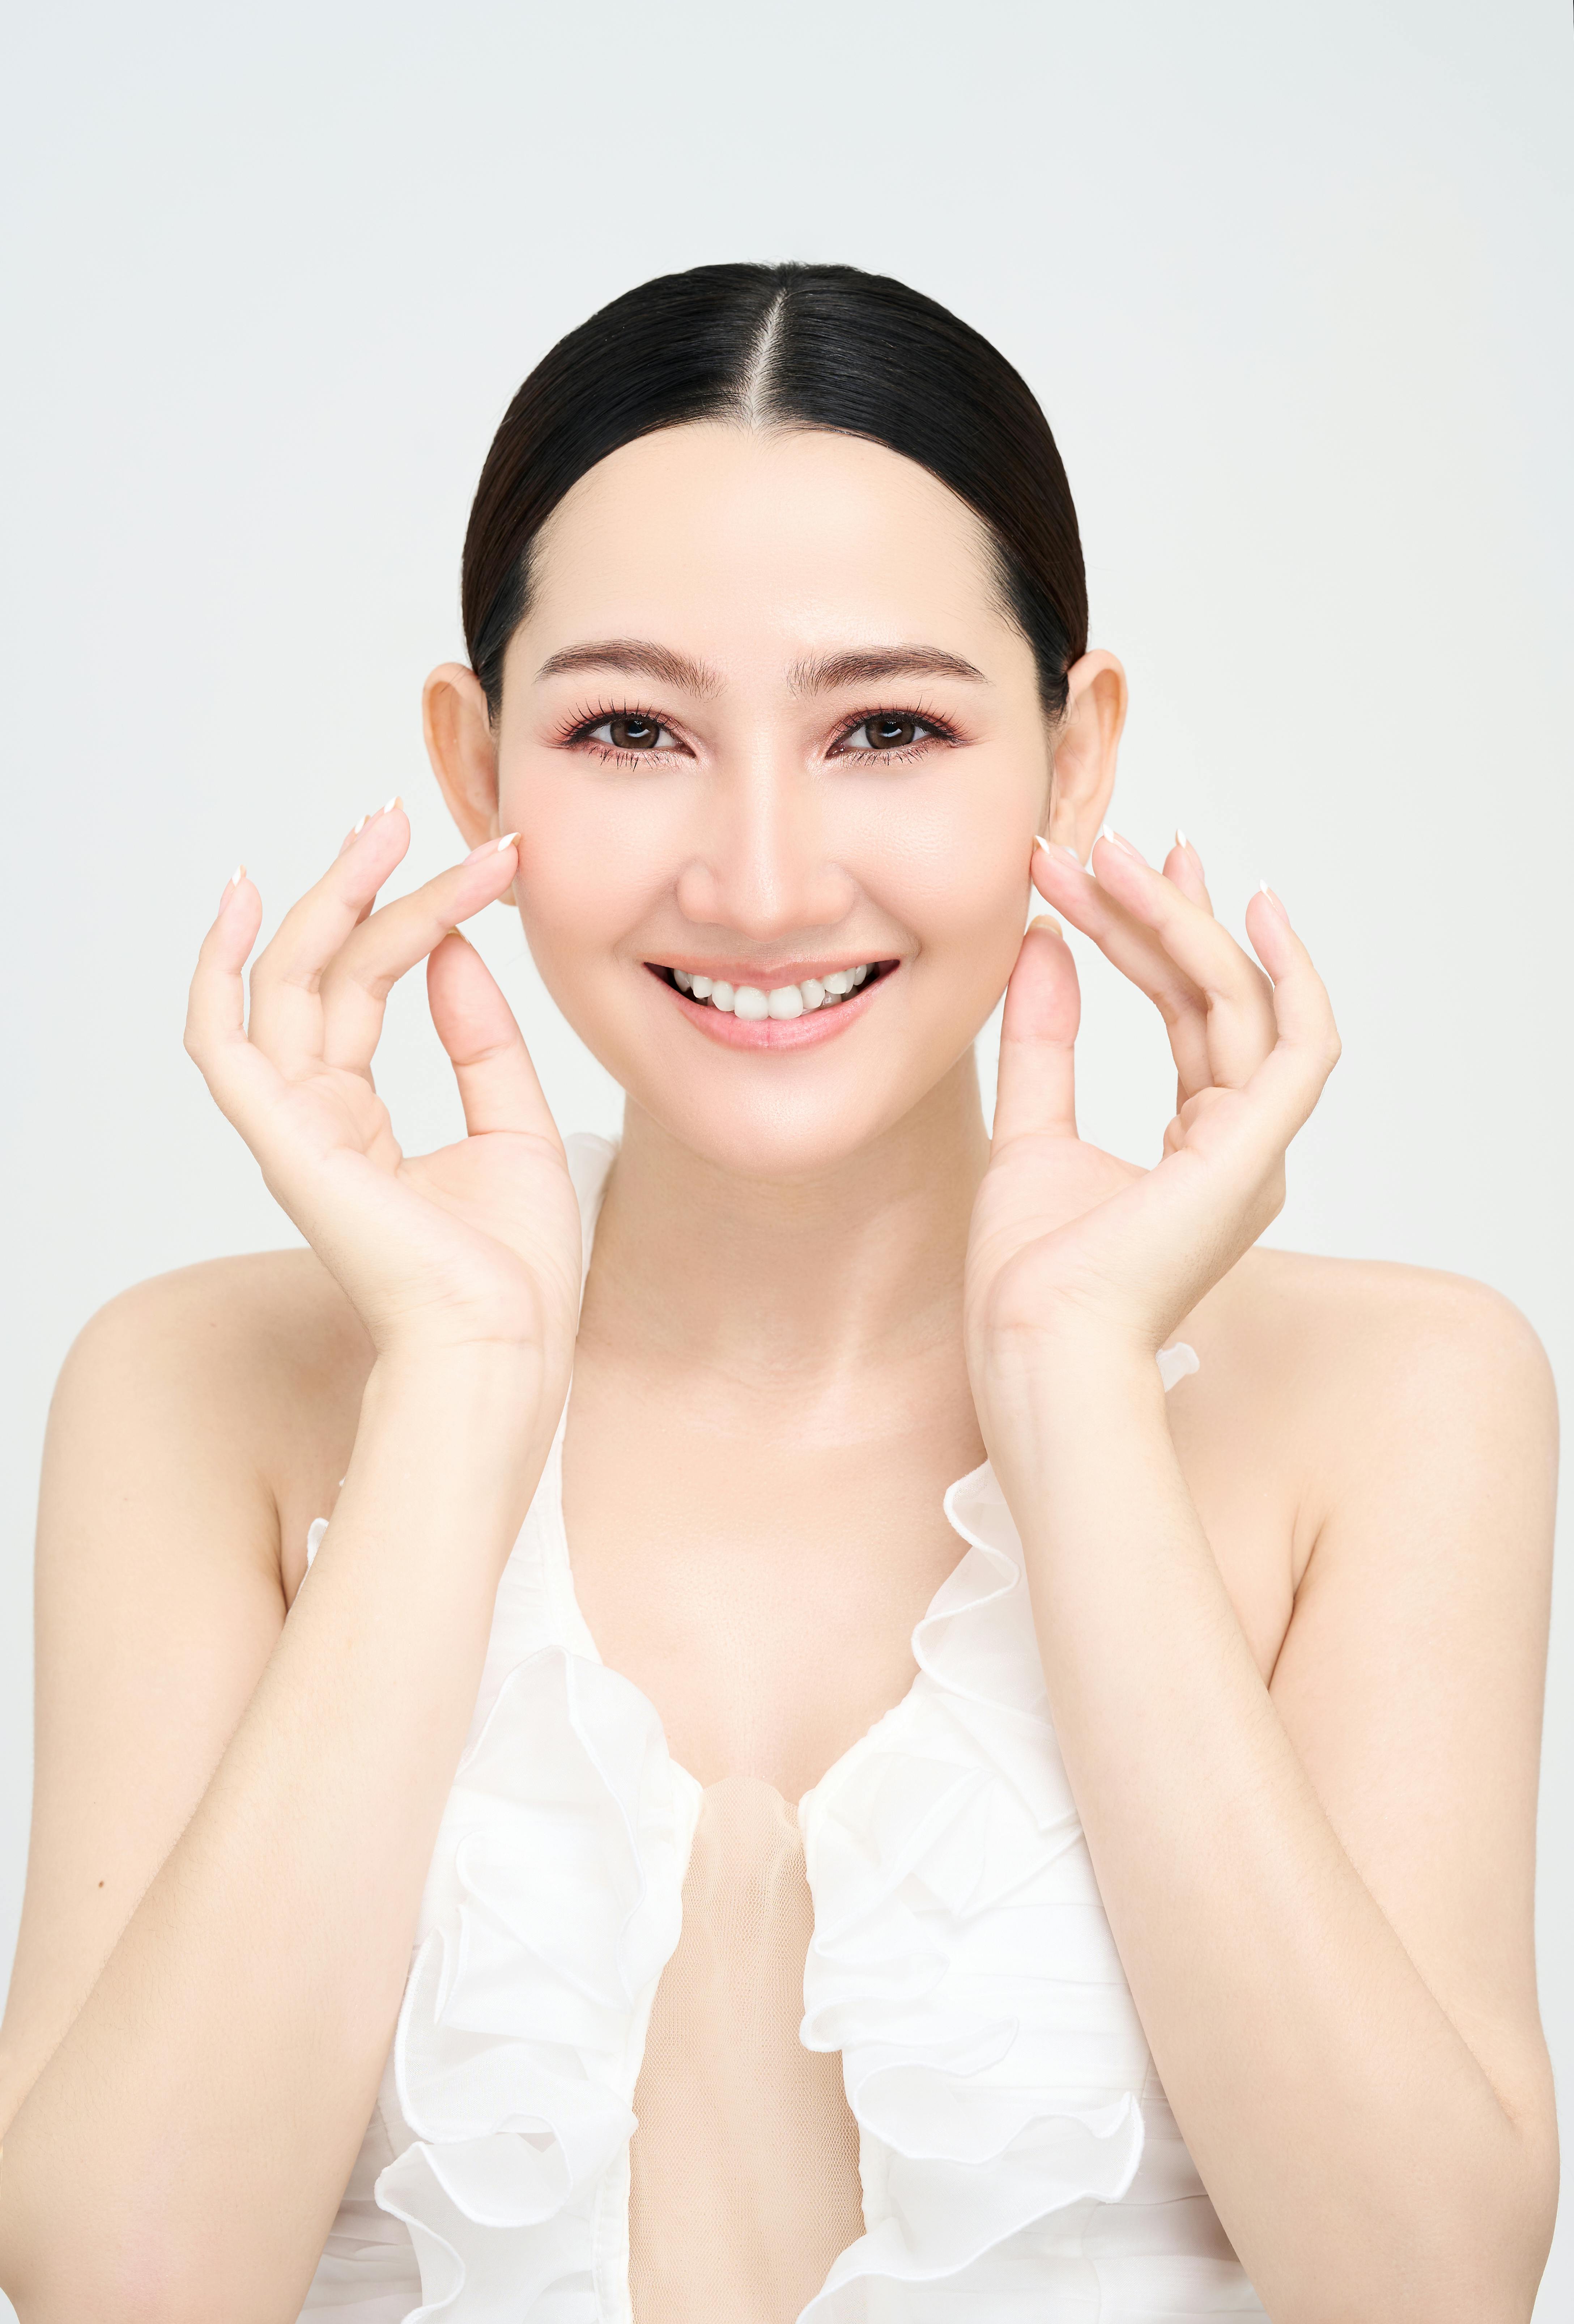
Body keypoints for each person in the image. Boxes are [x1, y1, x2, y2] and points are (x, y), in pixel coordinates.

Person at [0, 262, 1557, 2323]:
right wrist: (461, 1390)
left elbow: (1425, 2283)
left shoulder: (1397, 1400)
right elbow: (121, 2285)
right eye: (631, 730)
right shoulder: (201, 1385)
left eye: (887, 727)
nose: (757, 876)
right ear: (477, 770)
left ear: (1073, 759)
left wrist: (1071, 1387)